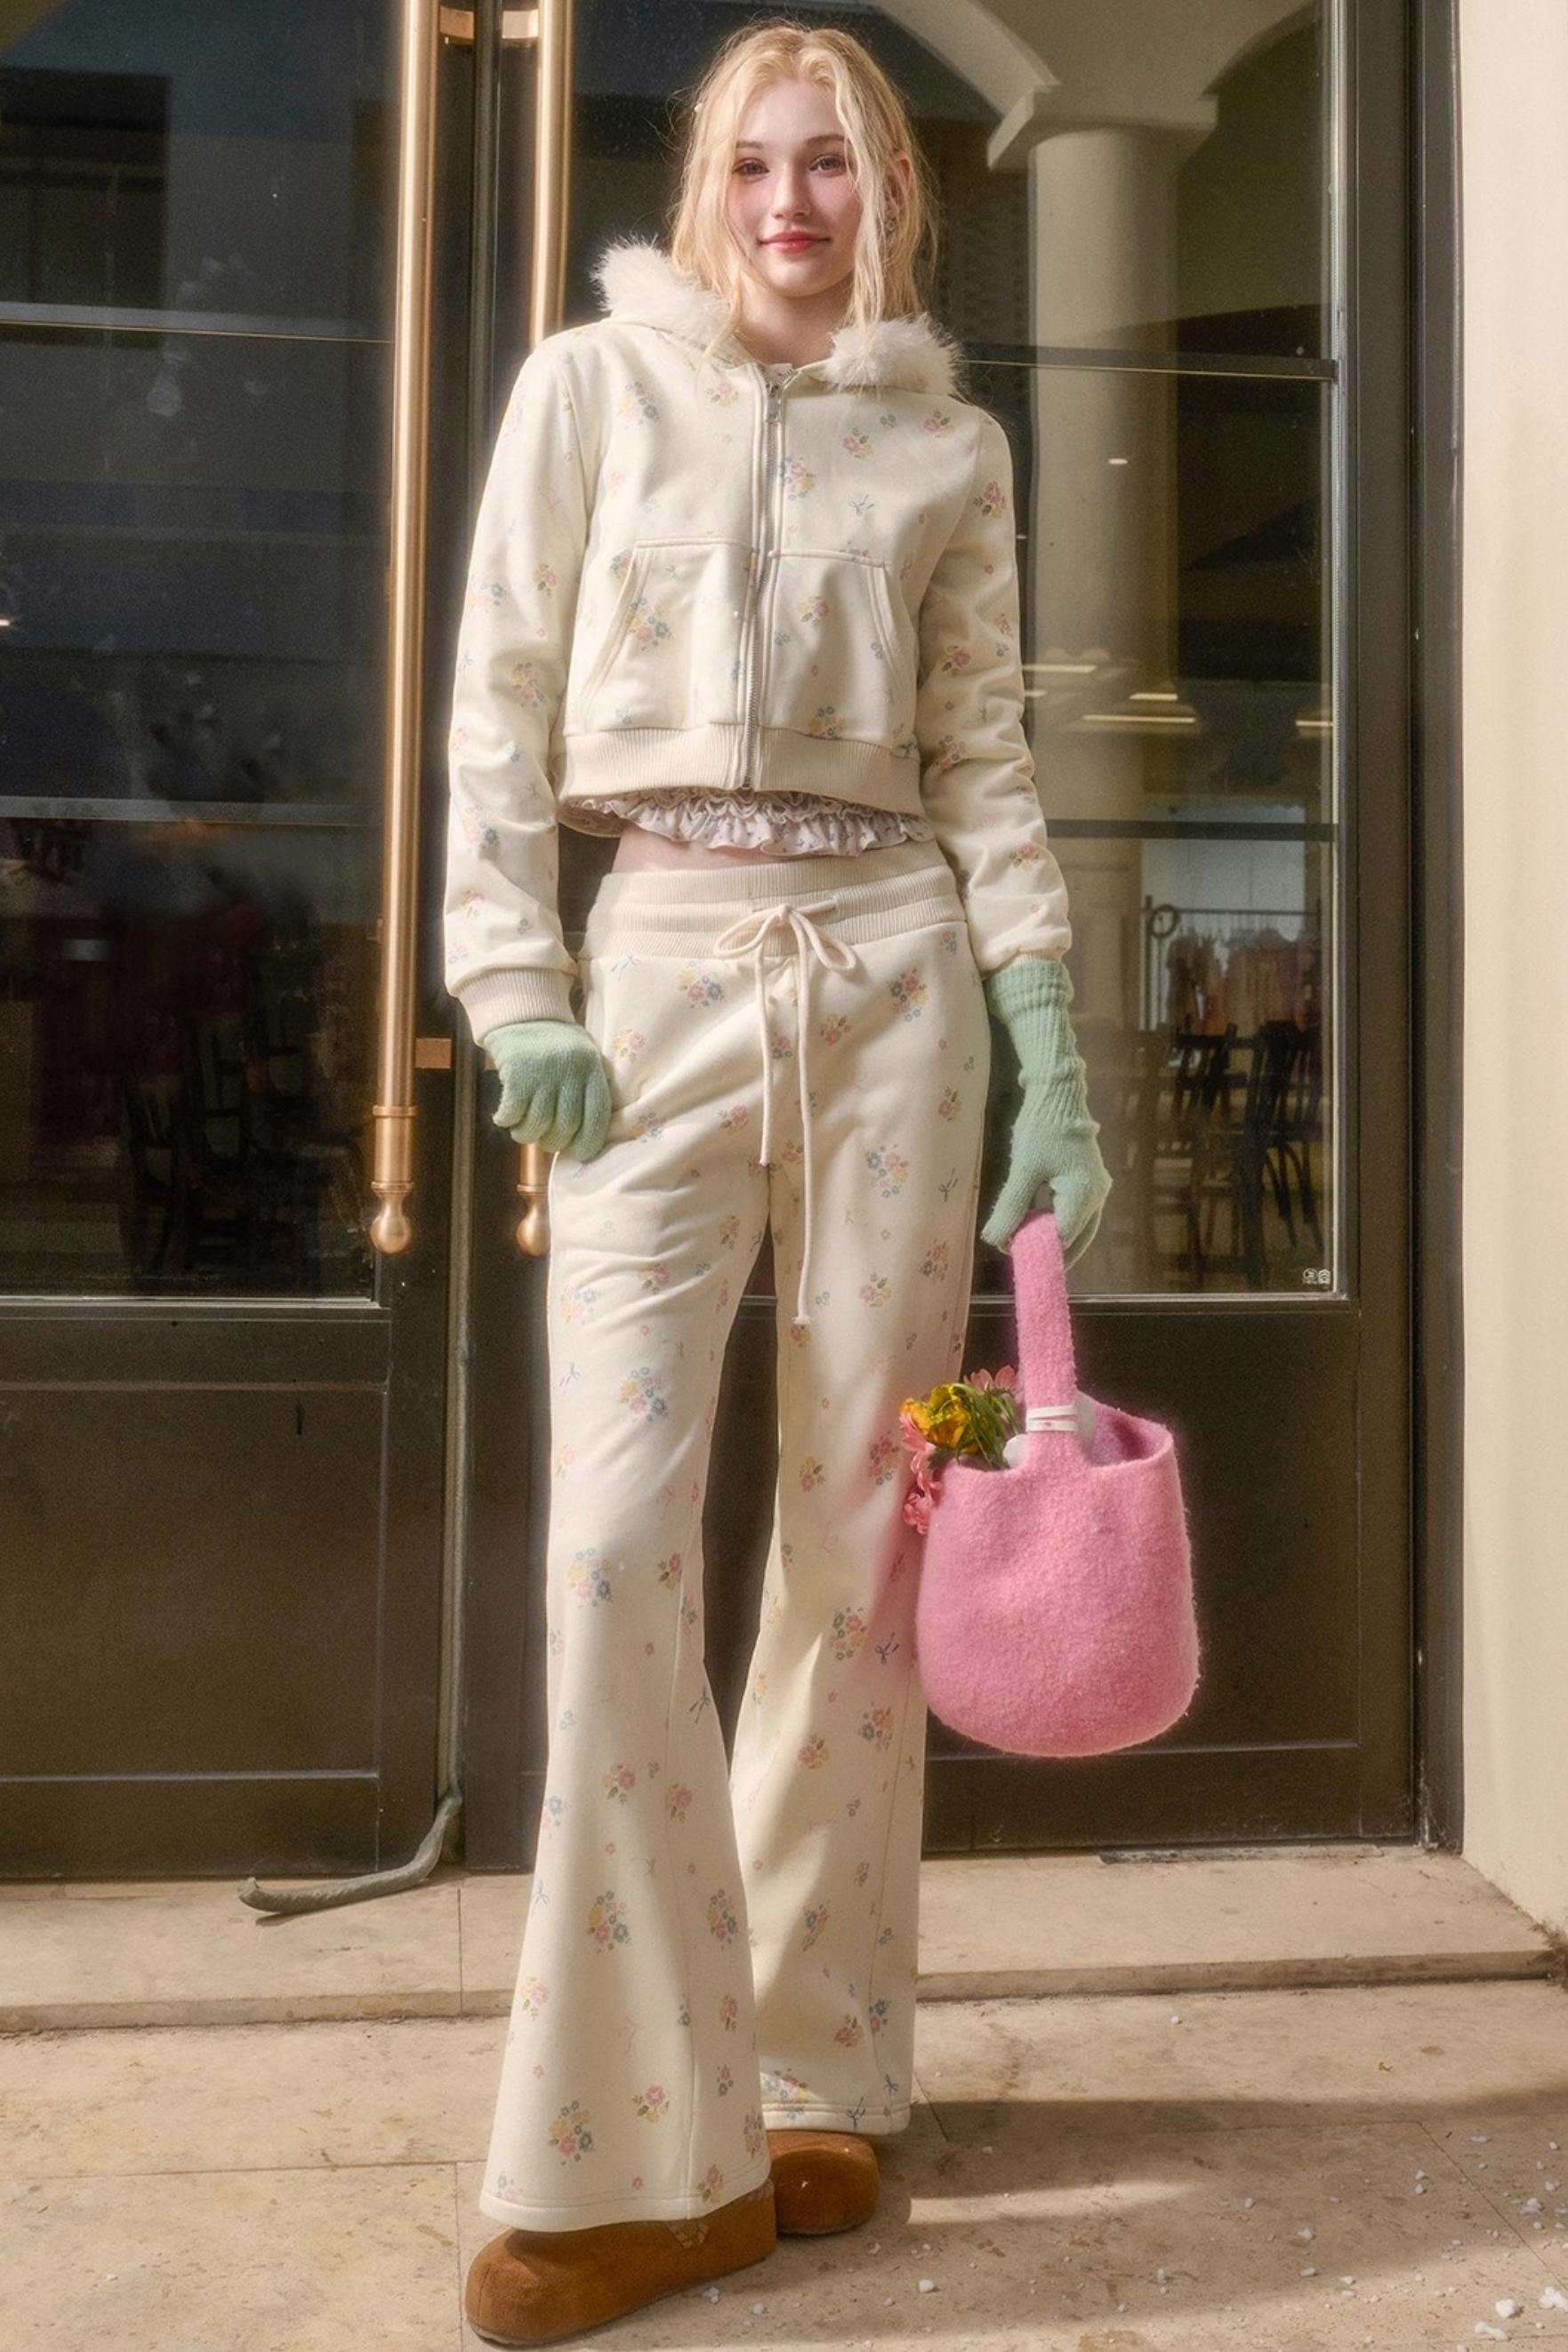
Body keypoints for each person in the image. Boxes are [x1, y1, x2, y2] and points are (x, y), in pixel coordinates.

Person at [443, 19, 1112, 2342]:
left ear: (888, 194)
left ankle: (817, 2067)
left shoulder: (946, 440)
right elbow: (495, 696)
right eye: (756, 160)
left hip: (898, 975)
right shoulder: (585, 390)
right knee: (613, 1539)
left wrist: (1048, 1040)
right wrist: (513, 977)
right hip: (657, 973)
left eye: (832, 164)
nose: (793, 202)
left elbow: (982, 751)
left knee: (859, 1539)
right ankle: (634, 2142)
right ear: (703, 182)